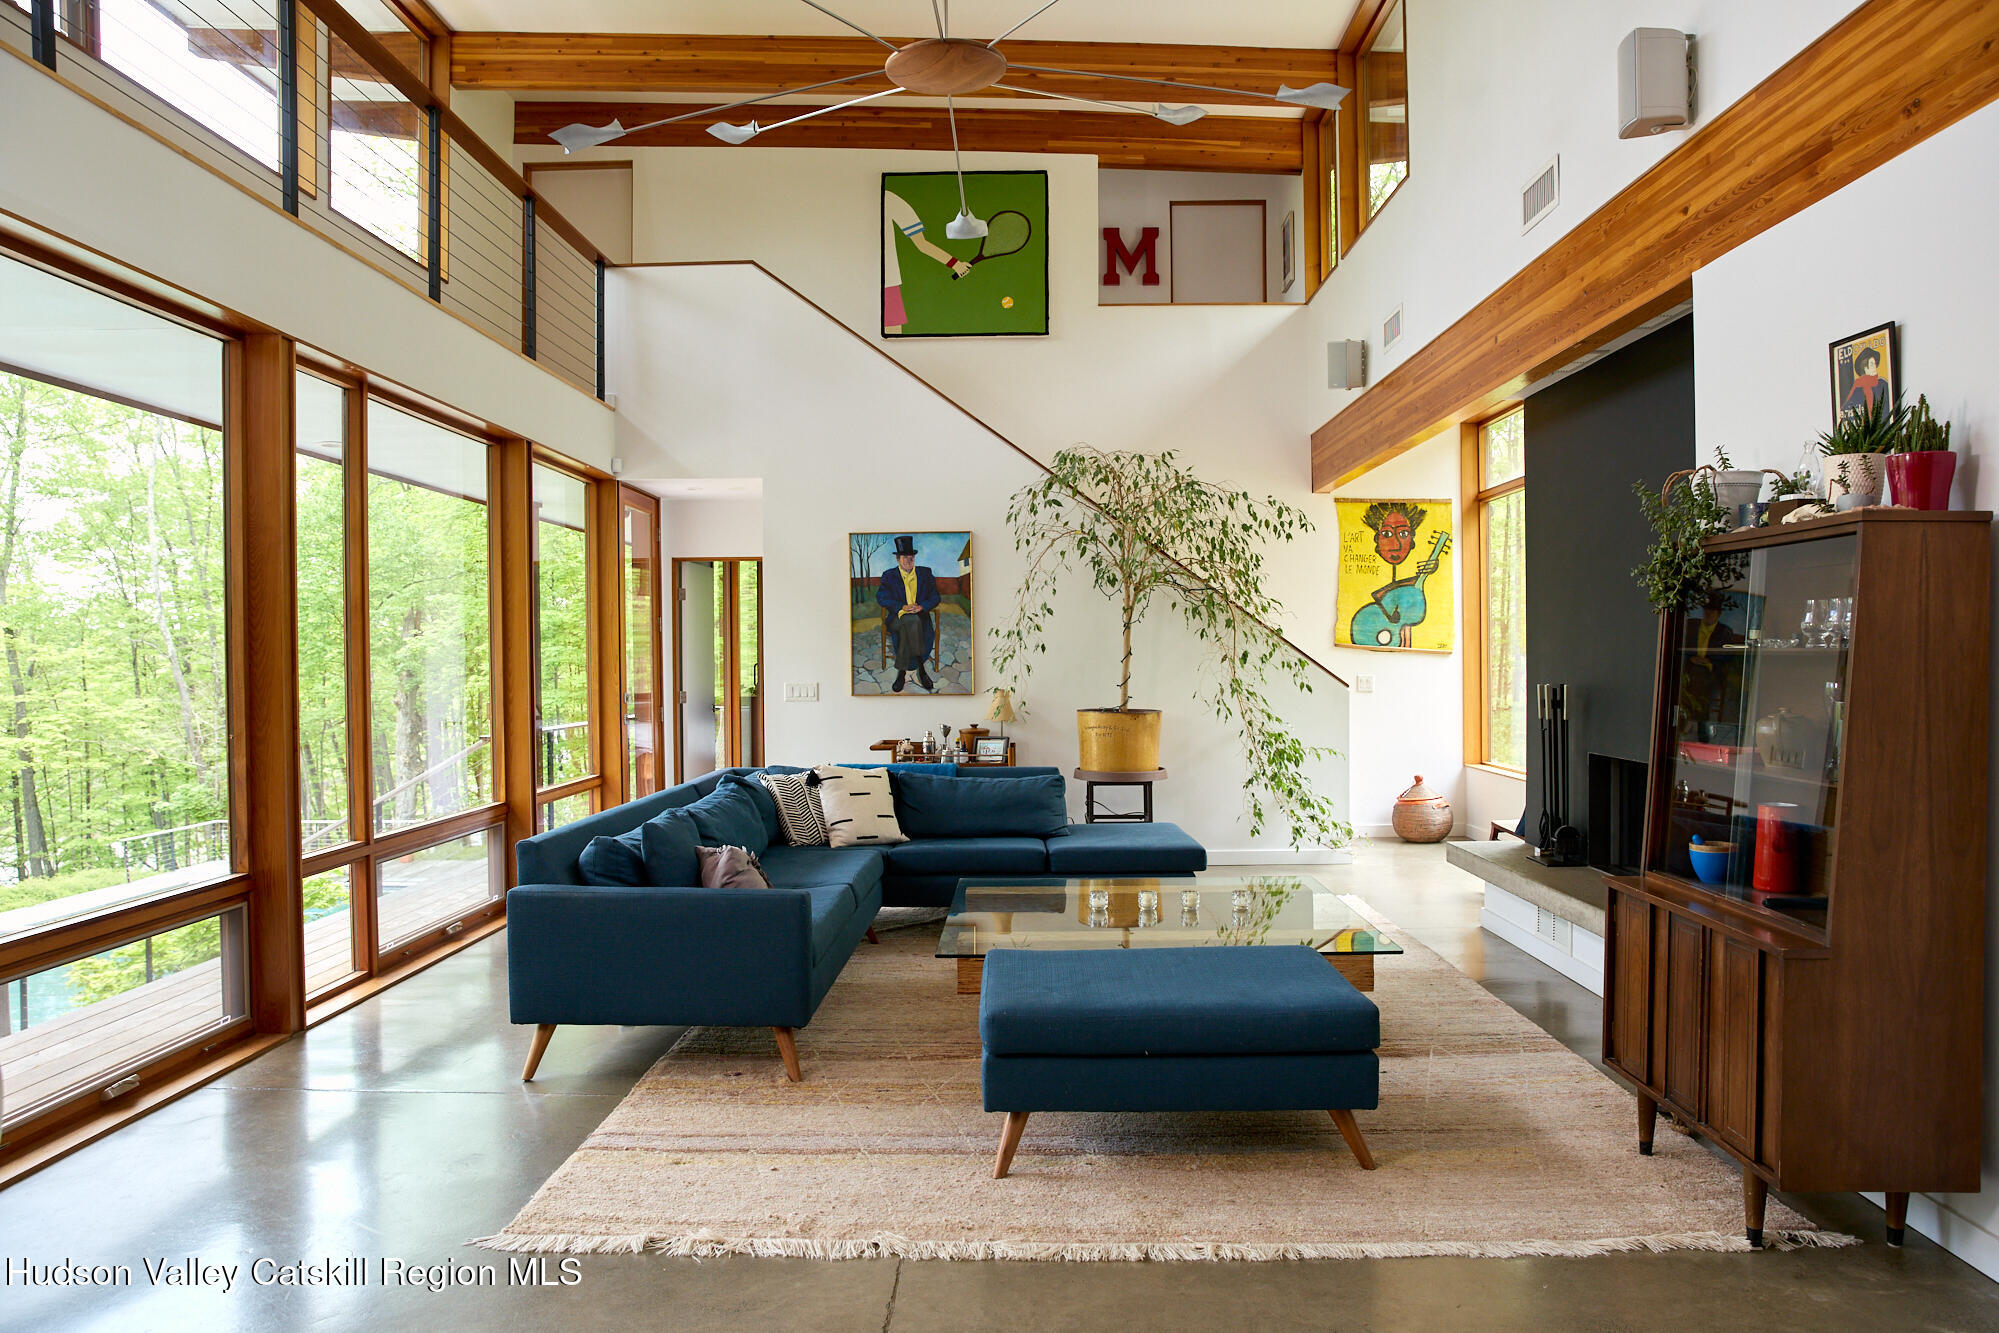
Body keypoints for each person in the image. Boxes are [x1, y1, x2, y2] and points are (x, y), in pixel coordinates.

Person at [883, 189, 971, 335]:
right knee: (892, 338)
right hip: (887, 282)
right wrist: (955, 264)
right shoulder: (890, 199)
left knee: (891, 339)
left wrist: (954, 263)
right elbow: (922, 244)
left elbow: (921, 244)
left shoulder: (889, 199)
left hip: (885, 281)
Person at [876, 535, 940, 692]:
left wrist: (922, 607)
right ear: (898, 559)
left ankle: (902, 672)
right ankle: (921, 669)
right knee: (910, 621)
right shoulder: (889, 576)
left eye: (911, 557)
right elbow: (882, 597)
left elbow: (935, 597)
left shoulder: (925, 573)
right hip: (897, 617)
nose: (908, 560)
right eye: (905, 557)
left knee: (912, 622)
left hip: (919, 617)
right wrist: (902, 606)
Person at [1840, 345, 1888, 419]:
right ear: (1865, 368)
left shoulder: (1883, 384)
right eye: (1872, 364)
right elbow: (1846, 410)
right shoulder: (1857, 388)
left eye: (1875, 363)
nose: (1875, 366)